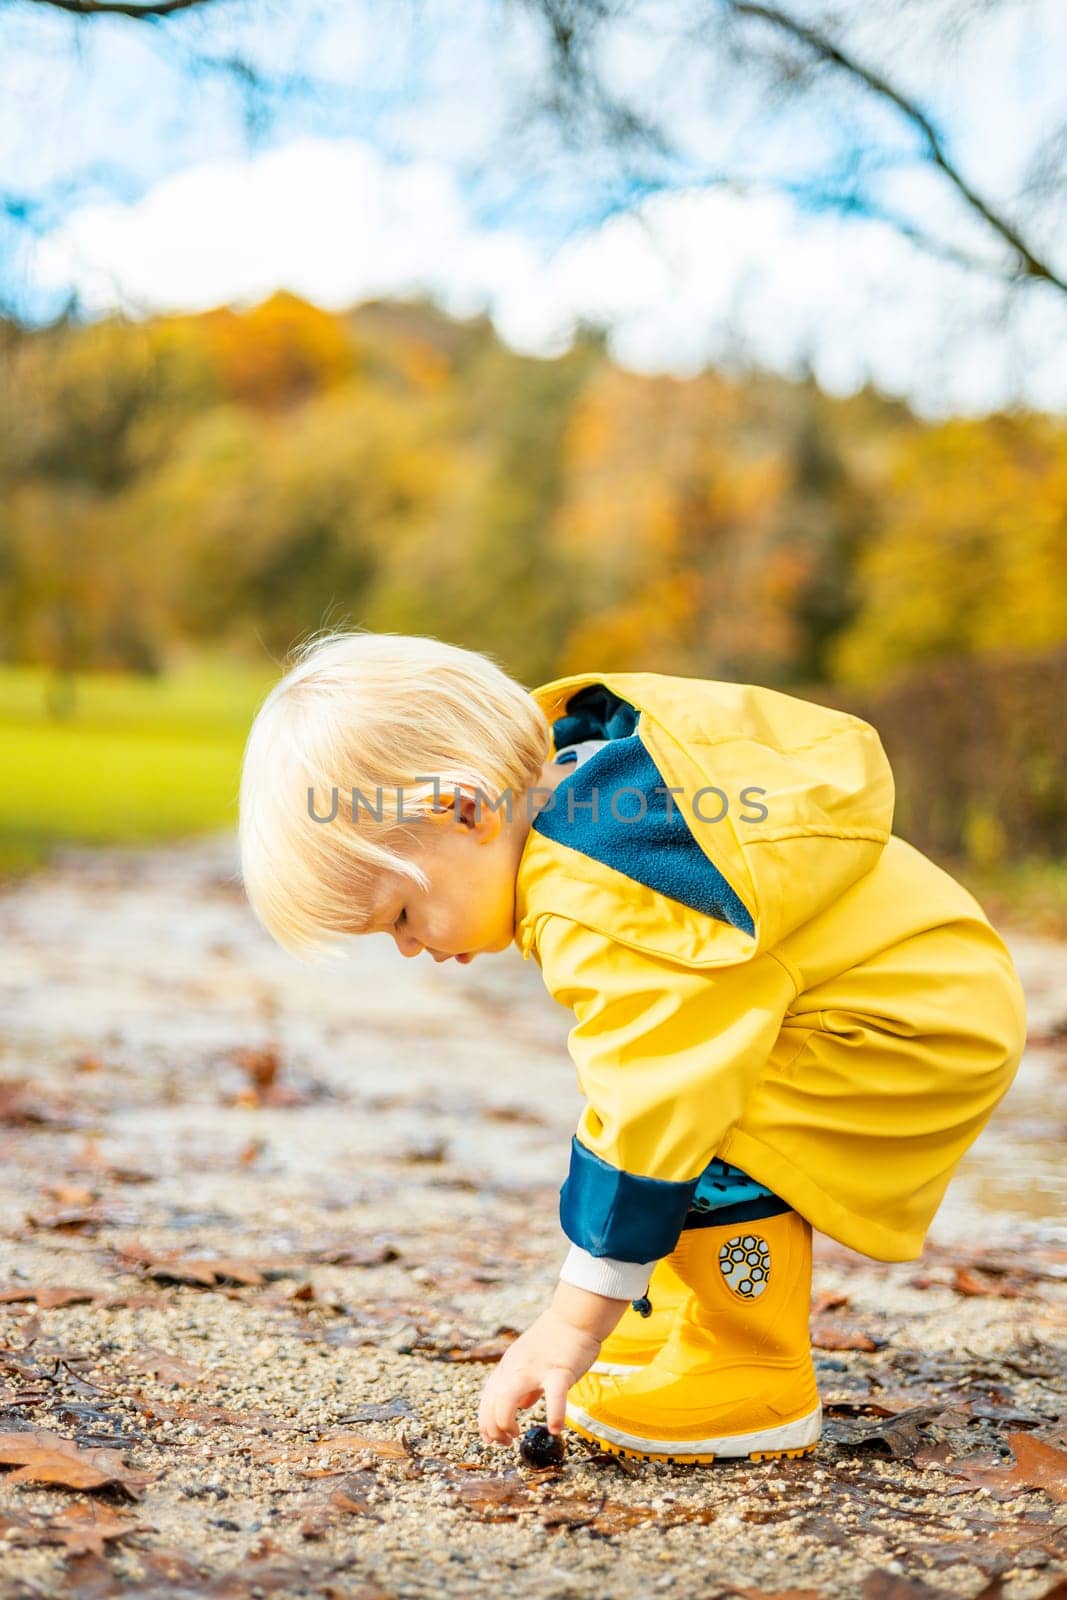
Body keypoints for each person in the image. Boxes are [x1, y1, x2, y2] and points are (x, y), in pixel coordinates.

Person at [238, 628, 1028, 1464]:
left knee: (691, 1117)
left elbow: (652, 1099)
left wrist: (571, 1323)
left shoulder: (594, 891)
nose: (408, 947)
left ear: (464, 809)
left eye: (399, 915)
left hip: (898, 1026)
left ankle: (748, 1368)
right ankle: (694, 1329)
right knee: (685, 1101)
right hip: (934, 988)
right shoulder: (595, 790)